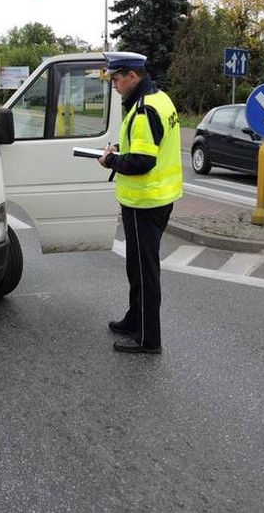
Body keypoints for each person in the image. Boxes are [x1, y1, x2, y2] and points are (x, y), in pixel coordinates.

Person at [97, 52, 183, 354]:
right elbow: (148, 146)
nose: (115, 86)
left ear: (133, 76)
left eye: (117, 80)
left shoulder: (144, 110)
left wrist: (111, 160)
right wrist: (121, 149)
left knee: (144, 272)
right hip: (157, 199)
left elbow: (142, 162)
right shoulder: (160, 98)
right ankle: (135, 320)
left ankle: (148, 338)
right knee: (137, 268)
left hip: (145, 201)